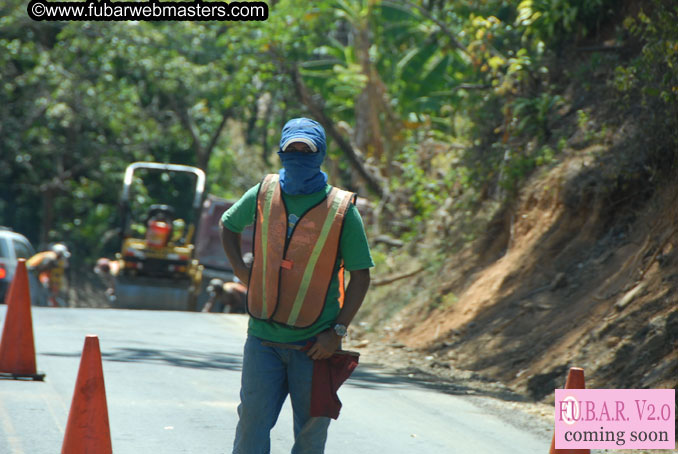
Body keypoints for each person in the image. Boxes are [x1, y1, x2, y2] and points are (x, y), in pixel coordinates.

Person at [220, 117, 373, 454]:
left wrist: (337, 332)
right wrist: (245, 277)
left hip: (315, 347)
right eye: (293, 150)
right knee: (251, 429)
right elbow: (229, 226)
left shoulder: (341, 210)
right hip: (263, 340)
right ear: (281, 153)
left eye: (307, 150)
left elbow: (360, 275)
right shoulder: (264, 192)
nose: (299, 156)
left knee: (310, 436)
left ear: (320, 156)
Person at [26, 243, 71, 307]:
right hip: (29, 272)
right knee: (34, 293)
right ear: (58, 253)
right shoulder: (51, 257)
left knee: (38, 292)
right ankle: (30, 308)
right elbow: (41, 267)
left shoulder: (50, 256)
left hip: (32, 273)